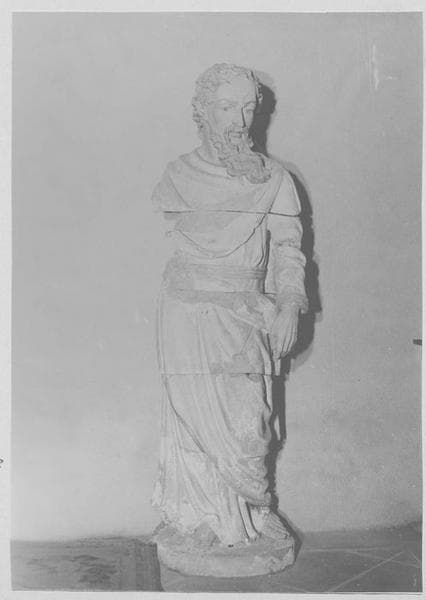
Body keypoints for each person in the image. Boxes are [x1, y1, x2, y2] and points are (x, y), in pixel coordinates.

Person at [151, 63, 308, 550]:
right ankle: (200, 518)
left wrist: (290, 304)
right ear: (202, 112)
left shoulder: (275, 179)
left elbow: (289, 249)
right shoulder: (177, 176)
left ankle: (253, 514)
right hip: (186, 313)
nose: (239, 120)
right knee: (191, 422)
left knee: (249, 426)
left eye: (247, 108)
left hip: (245, 312)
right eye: (225, 107)